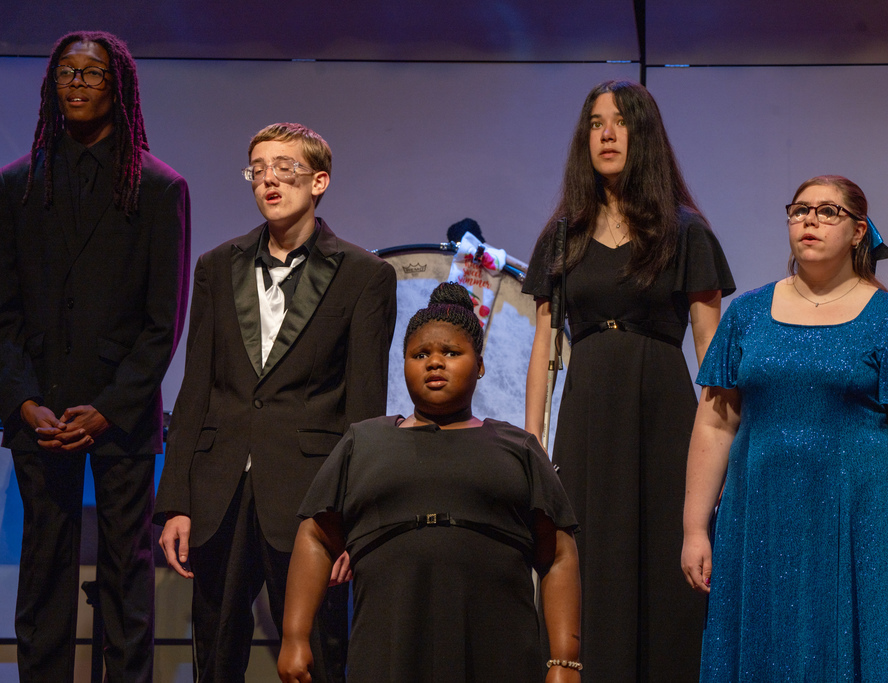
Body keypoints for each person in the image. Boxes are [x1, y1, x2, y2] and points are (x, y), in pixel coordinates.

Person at [154, 122, 397, 682]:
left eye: (285, 167)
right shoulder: (218, 266)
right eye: (258, 168)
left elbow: (364, 408)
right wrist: (177, 502)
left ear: (320, 181)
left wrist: (352, 518)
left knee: (317, 654)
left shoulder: (365, 276)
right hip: (219, 492)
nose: (269, 179)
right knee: (215, 655)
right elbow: (196, 391)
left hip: (310, 496)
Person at [681, 175, 888, 681]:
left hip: (857, 527)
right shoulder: (747, 316)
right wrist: (695, 528)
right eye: (800, 211)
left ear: (859, 231)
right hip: (760, 523)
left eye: (827, 212)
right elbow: (714, 424)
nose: (810, 221)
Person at [522, 79, 734, 680]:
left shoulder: (685, 230)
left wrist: (720, 444)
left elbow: (711, 350)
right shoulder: (562, 234)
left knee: (666, 566)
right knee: (588, 560)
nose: (607, 134)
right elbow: (544, 342)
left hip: (663, 411)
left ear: (644, 136)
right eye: (596, 123)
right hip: (587, 412)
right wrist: (533, 438)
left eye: (621, 122)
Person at [0, 30, 190, 682]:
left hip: (121, 414)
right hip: (40, 412)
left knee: (124, 571)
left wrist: (109, 409)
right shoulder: (18, 185)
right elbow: (3, 314)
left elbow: (162, 324)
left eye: (93, 74)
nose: (78, 84)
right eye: (67, 73)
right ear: (53, 85)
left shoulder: (158, 188)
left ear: (119, 88)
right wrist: (24, 403)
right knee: (43, 567)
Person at [278, 283, 581, 683]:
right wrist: (294, 635)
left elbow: (558, 553)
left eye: (451, 353)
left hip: (497, 650)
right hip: (389, 648)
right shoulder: (364, 442)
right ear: (403, 363)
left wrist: (564, 661)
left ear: (480, 365)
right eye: (420, 354)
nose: (434, 363)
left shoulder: (518, 447)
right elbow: (315, 535)